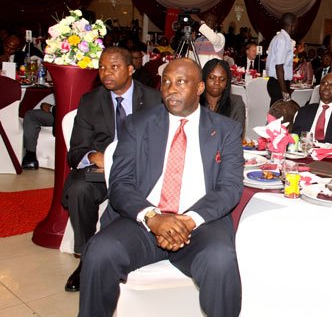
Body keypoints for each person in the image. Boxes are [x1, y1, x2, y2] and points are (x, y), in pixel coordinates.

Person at [79, 58, 243, 317]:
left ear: (199, 88)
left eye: (181, 82)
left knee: (220, 260)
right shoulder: (137, 124)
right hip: (144, 222)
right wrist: (153, 217)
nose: (170, 89)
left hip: (200, 224)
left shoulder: (226, 130)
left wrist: (188, 220)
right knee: (100, 252)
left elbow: (230, 187)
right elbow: (120, 183)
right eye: (166, 82)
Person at [61, 47, 162, 292]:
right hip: (103, 172)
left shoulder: (154, 99)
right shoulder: (90, 101)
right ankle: (87, 258)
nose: (106, 73)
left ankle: (133, 252)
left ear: (131, 69)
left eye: (114, 67)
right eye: (102, 67)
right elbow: (75, 151)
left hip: (140, 172)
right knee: (79, 189)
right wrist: (95, 157)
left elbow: (163, 142)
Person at [292, 73, 332, 144]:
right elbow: (294, 139)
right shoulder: (303, 111)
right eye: (324, 83)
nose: (327, 87)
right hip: (305, 149)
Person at [200, 58, 245, 130]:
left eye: (222, 79)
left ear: (227, 83)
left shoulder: (236, 103)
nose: (217, 82)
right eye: (212, 77)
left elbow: (238, 133)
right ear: (204, 78)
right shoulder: (195, 102)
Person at [266, 13, 297, 106]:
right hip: (278, 84)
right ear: (292, 25)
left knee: (276, 112)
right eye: (296, 25)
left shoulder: (278, 38)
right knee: (277, 112)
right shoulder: (282, 40)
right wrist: (284, 91)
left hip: (278, 82)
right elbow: (279, 66)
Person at [21, 102, 54, 169]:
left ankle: (30, 158)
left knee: (31, 115)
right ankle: (30, 157)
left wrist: (51, 108)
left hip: (69, 115)